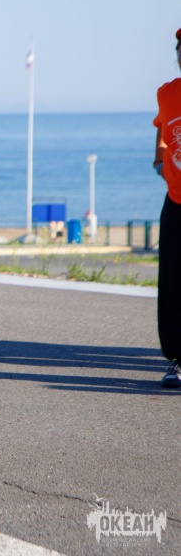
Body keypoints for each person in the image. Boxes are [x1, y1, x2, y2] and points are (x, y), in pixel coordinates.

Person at [153, 27, 181, 388]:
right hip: (176, 201)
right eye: (180, 48)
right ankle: (177, 358)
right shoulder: (168, 92)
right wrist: (159, 162)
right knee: (173, 282)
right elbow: (161, 129)